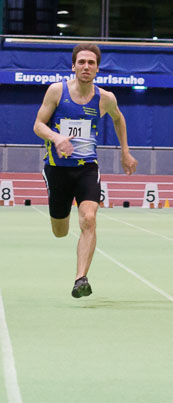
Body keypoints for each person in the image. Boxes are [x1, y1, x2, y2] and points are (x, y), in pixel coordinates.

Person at [32, 43, 138, 298]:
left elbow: (118, 118)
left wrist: (125, 151)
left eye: (91, 63)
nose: (86, 67)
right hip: (57, 169)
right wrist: (57, 139)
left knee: (89, 218)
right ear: (73, 66)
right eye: (82, 62)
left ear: (97, 68)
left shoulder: (105, 98)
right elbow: (38, 124)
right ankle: (60, 220)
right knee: (61, 231)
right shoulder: (57, 91)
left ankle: (81, 279)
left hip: (87, 168)